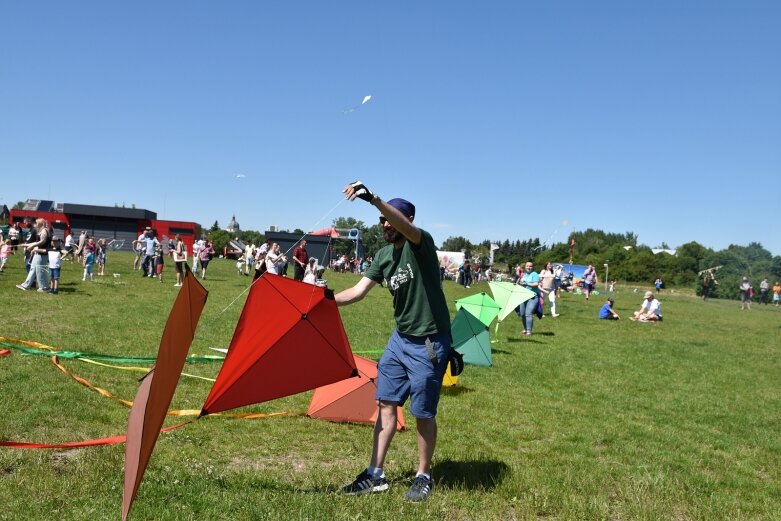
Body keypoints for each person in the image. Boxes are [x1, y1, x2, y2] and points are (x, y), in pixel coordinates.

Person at [336, 181, 451, 502]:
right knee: (386, 405)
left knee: (424, 412)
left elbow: (403, 224)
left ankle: (423, 475)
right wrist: (325, 298)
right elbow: (358, 292)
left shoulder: (421, 244)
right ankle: (375, 474)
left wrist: (373, 199)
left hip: (429, 343)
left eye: (390, 220)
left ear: (407, 221)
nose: (384, 225)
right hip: (399, 341)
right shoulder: (385, 256)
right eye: (381, 221)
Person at [16, 218, 50, 292]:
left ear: (40, 223)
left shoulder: (44, 231)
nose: (36, 223)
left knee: (40, 270)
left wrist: (32, 246)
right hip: (37, 252)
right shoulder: (41, 230)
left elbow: (42, 241)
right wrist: (26, 244)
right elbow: (36, 242)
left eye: (37, 222)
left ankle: (44, 287)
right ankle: (26, 285)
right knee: (32, 269)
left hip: (42, 253)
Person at [517, 261, 541, 335]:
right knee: (522, 313)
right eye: (527, 266)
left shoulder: (534, 274)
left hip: (533, 297)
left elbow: (536, 284)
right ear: (525, 267)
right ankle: (525, 329)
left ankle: (529, 331)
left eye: (530, 266)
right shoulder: (524, 275)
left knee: (528, 313)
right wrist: (520, 284)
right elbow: (522, 283)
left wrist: (527, 283)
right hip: (524, 296)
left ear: (532, 267)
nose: (529, 267)